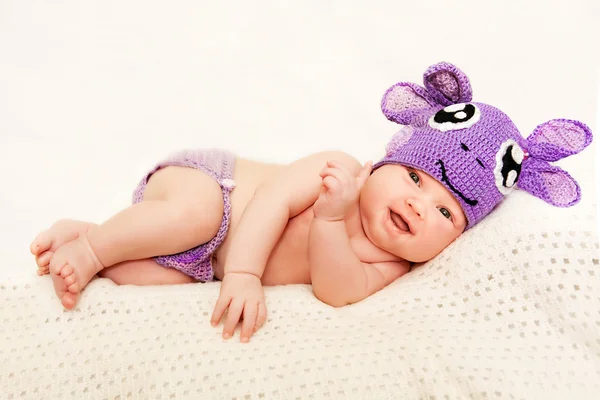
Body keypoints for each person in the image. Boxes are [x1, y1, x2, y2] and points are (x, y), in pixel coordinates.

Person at [30, 61, 592, 343]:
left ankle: (87, 233)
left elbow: (337, 290)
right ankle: (97, 246)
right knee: (187, 218)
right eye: (416, 180)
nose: (421, 207)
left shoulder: (391, 262)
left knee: (147, 282)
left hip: (200, 268)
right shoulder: (339, 170)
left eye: (447, 212)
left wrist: (327, 225)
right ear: (382, 164)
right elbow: (272, 201)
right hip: (214, 192)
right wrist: (245, 273)